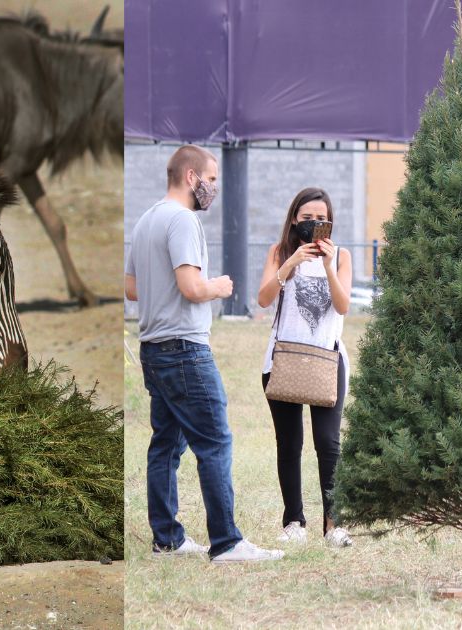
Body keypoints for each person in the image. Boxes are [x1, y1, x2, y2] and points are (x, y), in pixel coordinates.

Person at [125, 145, 283, 563]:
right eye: (211, 179)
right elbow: (193, 288)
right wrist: (219, 286)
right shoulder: (182, 220)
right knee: (215, 441)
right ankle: (227, 543)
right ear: (192, 176)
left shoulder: (145, 220)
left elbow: (130, 287)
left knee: (165, 446)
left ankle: (167, 540)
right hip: (185, 349)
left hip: (153, 350)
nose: (214, 188)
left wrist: (174, 289)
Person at [255, 187, 354, 548]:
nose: (314, 225)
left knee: (329, 443)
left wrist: (327, 265)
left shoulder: (341, 256)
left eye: (321, 219)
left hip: (327, 360)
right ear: (294, 219)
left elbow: (343, 307)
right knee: (289, 443)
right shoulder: (279, 252)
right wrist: (291, 262)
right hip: (283, 359)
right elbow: (263, 298)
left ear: (330, 223)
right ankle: (294, 521)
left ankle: (334, 524)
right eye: (307, 219)